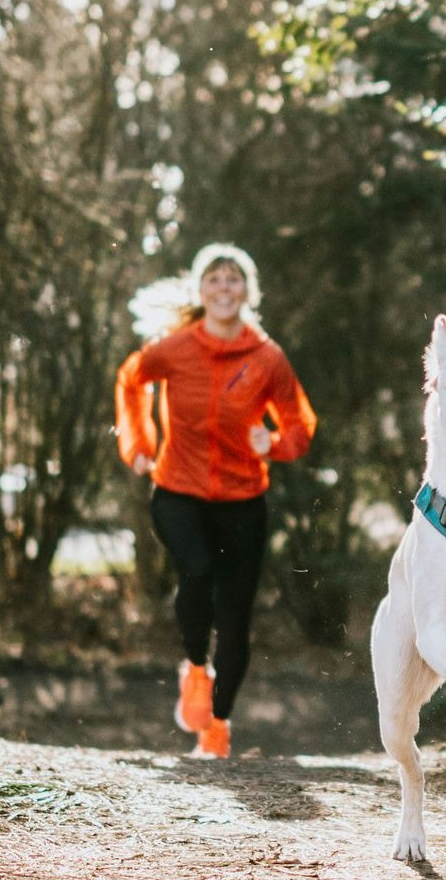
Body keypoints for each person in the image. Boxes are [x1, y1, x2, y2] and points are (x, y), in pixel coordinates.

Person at [114, 243, 317, 758]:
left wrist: (272, 443)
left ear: (247, 291)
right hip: (177, 490)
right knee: (198, 572)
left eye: (234, 280)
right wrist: (138, 447)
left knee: (234, 619)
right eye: (215, 280)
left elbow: (300, 425)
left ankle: (218, 726)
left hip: (243, 499)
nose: (224, 288)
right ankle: (195, 669)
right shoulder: (174, 348)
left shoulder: (267, 358)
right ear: (200, 291)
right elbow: (130, 382)